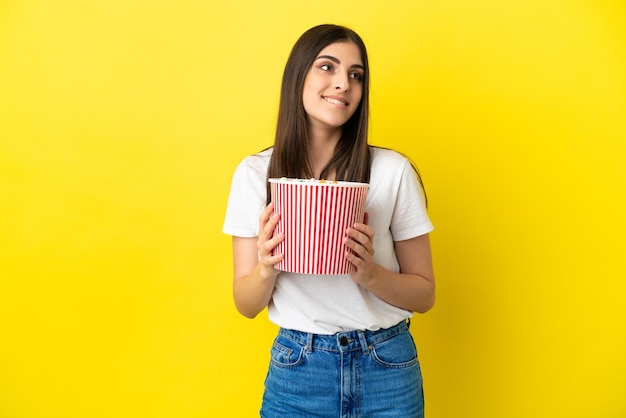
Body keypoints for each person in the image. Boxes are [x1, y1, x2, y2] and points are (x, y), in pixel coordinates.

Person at [223, 24, 435, 417]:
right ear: (297, 77)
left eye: (356, 75)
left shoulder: (392, 171)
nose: (343, 84)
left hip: (386, 365)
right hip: (298, 369)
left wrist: (369, 273)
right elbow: (245, 303)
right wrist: (267, 267)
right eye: (327, 67)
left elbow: (424, 295)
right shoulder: (254, 174)